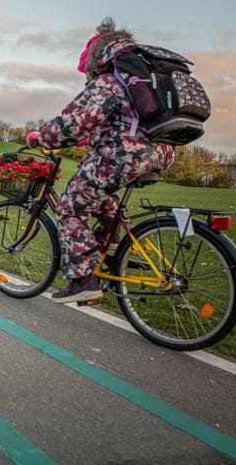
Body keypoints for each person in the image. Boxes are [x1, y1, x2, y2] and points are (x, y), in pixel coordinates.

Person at [27, 17, 176, 304]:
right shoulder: (139, 79)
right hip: (160, 152)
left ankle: (84, 280)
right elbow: (120, 123)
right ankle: (115, 244)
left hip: (126, 156)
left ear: (96, 58)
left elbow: (72, 124)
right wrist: (87, 139)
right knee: (100, 198)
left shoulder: (108, 81)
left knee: (71, 206)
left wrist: (42, 138)